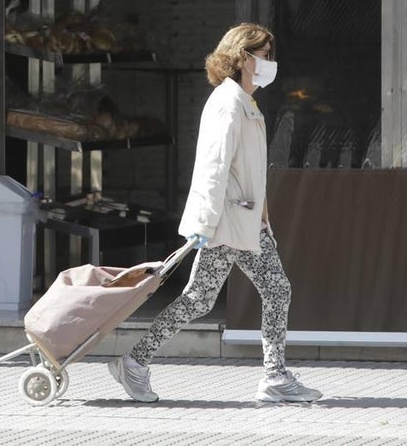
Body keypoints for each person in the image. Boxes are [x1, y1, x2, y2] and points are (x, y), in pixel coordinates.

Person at [108, 22, 321, 403]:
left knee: (202, 299)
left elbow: (250, 168)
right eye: (265, 54)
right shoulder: (228, 104)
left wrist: (264, 216)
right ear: (244, 58)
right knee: (272, 290)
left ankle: (135, 361)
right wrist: (205, 223)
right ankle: (273, 376)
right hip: (227, 221)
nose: (270, 62)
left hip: (241, 220)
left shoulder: (242, 101)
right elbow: (213, 166)